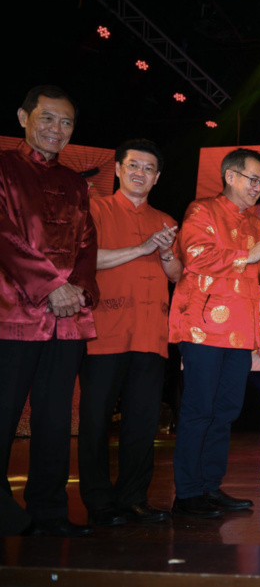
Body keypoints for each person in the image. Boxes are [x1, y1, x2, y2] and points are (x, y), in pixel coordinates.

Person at [168, 148, 260, 518]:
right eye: (253, 179)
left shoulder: (254, 224)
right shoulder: (201, 210)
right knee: (198, 409)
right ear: (230, 176)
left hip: (240, 330)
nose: (258, 187)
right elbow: (195, 256)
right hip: (204, 327)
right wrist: (248, 255)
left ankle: (209, 486)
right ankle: (187, 493)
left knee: (225, 411)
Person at [0, 85, 98, 537]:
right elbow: (5, 237)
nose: (57, 130)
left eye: (66, 122)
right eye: (47, 119)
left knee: (56, 418)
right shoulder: (3, 167)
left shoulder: (78, 182)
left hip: (67, 318)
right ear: (23, 117)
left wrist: (75, 287)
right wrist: (51, 285)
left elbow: (87, 244)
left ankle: (49, 510)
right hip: (13, 313)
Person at [77, 139, 181, 527]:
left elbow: (177, 274)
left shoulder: (165, 219)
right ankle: (99, 501)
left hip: (151, 333)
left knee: (143, 421)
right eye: (133, 165)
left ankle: (134, 497)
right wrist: (141, 248)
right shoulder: (94, 209)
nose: (141, 173)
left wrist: (166, 252)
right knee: (96, 421)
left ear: (157, 178)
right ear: (118, 169)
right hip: (104, 330)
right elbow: (85, 259)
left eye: (149, 168)